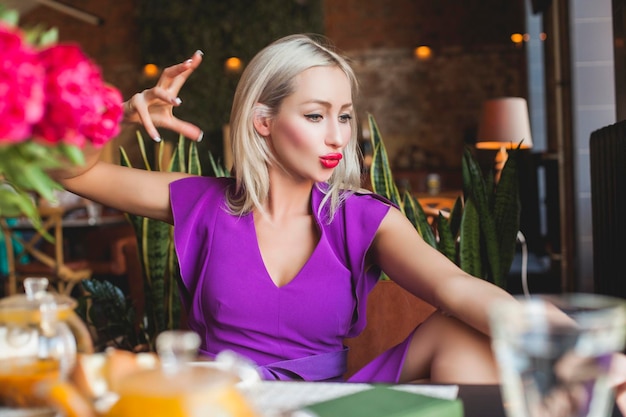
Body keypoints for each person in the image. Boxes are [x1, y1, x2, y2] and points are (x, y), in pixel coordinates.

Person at [53, 34, 625, 398]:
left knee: (466, 333)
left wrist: (594, 356)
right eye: (315, 114)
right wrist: (114, 121)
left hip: (328, 404)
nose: (336, 136)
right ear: (263, 122)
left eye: (345, 116)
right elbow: (72, 173)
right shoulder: (199, 199)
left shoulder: (361, 217)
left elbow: (457, 285)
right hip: (220, 402)